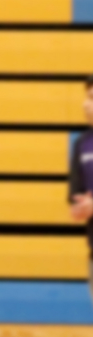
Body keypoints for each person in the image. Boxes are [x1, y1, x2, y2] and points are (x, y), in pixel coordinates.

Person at [68, 76, 93, 304]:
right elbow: (76, 194)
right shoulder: (81, 144)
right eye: (86, 97)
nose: (86, 104)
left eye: (92, 98)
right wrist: (80, 207)